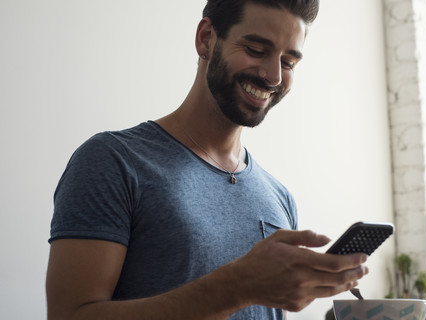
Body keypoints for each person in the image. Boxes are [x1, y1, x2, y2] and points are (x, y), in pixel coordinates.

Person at [46, 1, 369, 319]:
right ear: (206, 38)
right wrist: (237, 287)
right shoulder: (114, 161)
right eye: (256, 50)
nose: (273, 76)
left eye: (288, 62)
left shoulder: (279, 197)